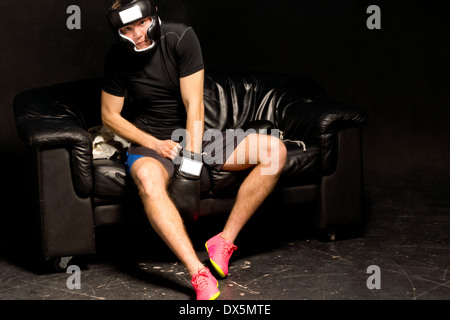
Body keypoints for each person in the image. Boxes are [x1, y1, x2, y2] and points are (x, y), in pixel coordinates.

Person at [101, 0, 287, 300]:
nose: (138, 33)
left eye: (143, 23)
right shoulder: (117, 57)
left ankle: (223, 242)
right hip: (150, 142)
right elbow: (109, 116)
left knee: (274, 151)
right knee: (149, 182)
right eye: (127, 28)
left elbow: (194, 105)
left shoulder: (180, 37)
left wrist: (192, 157)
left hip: (193, 134)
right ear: (118, 31)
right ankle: (197, 273)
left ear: (154, 15)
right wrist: (154, 143)